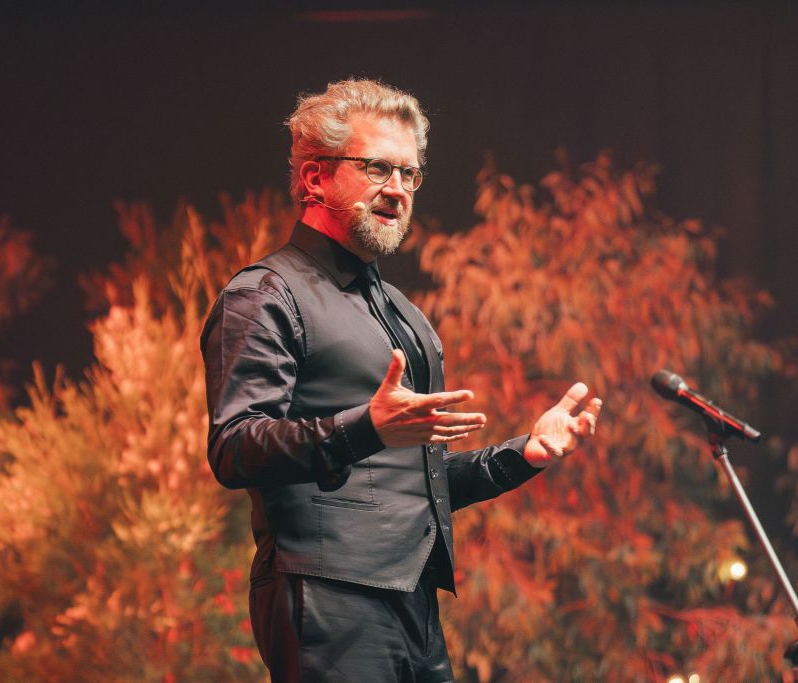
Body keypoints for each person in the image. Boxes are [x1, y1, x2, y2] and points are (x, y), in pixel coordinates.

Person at [201, 79, 602, 683]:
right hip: (325, 595)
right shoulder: (264, 294)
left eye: (409, 174)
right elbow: (234, 449)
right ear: (314, 178)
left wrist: (526, 454)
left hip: (412, 597)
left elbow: (414, 484)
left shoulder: (401, 312)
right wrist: (366, 427)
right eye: (377, 169)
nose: (397, 190)